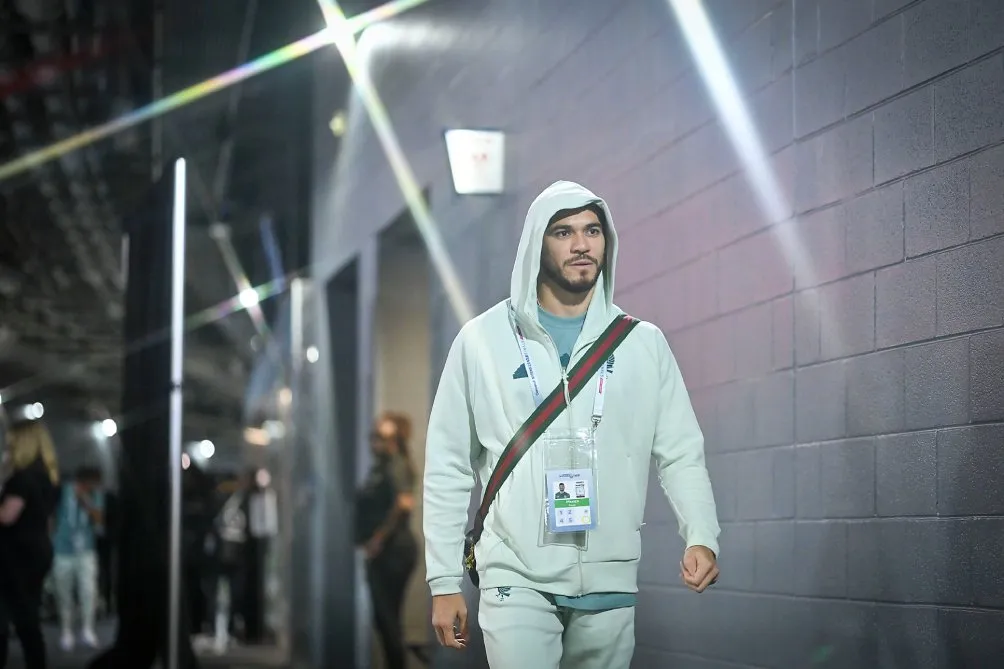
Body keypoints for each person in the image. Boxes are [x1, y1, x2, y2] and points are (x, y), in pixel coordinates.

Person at [423, 180, 722, 668]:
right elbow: (448, 466)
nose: (582, 244)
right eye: (563, 232)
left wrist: (702, 535)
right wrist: (443, 581)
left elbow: (680, 451)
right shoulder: (481, 341)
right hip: (514, 573)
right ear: (537, 244)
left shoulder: (642, 344)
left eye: (592, 231)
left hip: (609, 575)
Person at [356, 412, 419, 669]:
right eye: (373, 437)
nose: (376, 444)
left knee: (388, 619)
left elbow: (404, 504)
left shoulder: (396, 465)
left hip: (394, 552)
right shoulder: (380, 468)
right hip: (383, 552)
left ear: (397, 439)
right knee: (383, 620)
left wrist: (378, 540)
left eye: (382, 438)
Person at [0, 419, 60, 669]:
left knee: (7, 619)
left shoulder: (22, 479)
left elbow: (6, 516)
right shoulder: (48, 478)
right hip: (37, 551)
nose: (7, 449)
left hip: (16, 556)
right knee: (28, 620)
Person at [51, 464, 105, 650]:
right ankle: (66, 630)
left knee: (88, 591)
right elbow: (51, 516)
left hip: (86, 551)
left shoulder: (95, 496)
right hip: (63, 549)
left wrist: (87, 502)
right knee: (63, 591)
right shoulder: (63, 491)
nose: (95, 487)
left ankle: (87, 629)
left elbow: (99, 519)